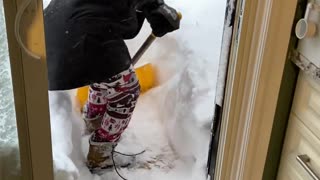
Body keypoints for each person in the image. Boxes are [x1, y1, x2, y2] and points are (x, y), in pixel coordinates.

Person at [43, 0, 180, 174]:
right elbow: (128, 29)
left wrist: (150, 8)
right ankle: (100, 153)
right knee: (126, 91)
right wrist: (151, 11)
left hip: (50, 41)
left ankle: (94, 120)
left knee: (102, 75)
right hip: (81, 38)